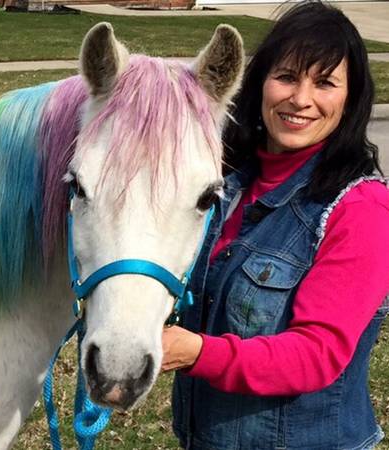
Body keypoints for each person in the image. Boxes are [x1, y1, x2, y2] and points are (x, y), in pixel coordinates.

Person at [161, 1, 389, 449]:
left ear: (350, 98)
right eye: (286, 76)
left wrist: (197, 353)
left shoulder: (361, 208)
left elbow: (316, 355)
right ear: (260, 83)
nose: (300, 99)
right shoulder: (225, 186)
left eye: (324, 83)